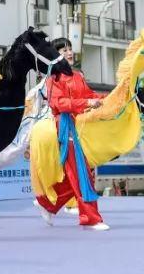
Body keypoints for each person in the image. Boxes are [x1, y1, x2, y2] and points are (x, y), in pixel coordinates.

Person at [35, 37, 108, 231]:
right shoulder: (53, 78)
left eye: (69, 49)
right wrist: (86, 103)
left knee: (77, 173)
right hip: (63, 127)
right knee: (80, 172)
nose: (68, 53)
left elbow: (90, 96)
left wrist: (113, 97)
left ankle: (48, 204)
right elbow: (59, 104)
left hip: (75, 128)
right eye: (62, 50)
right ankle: (90, 218)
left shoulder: (77, 76)